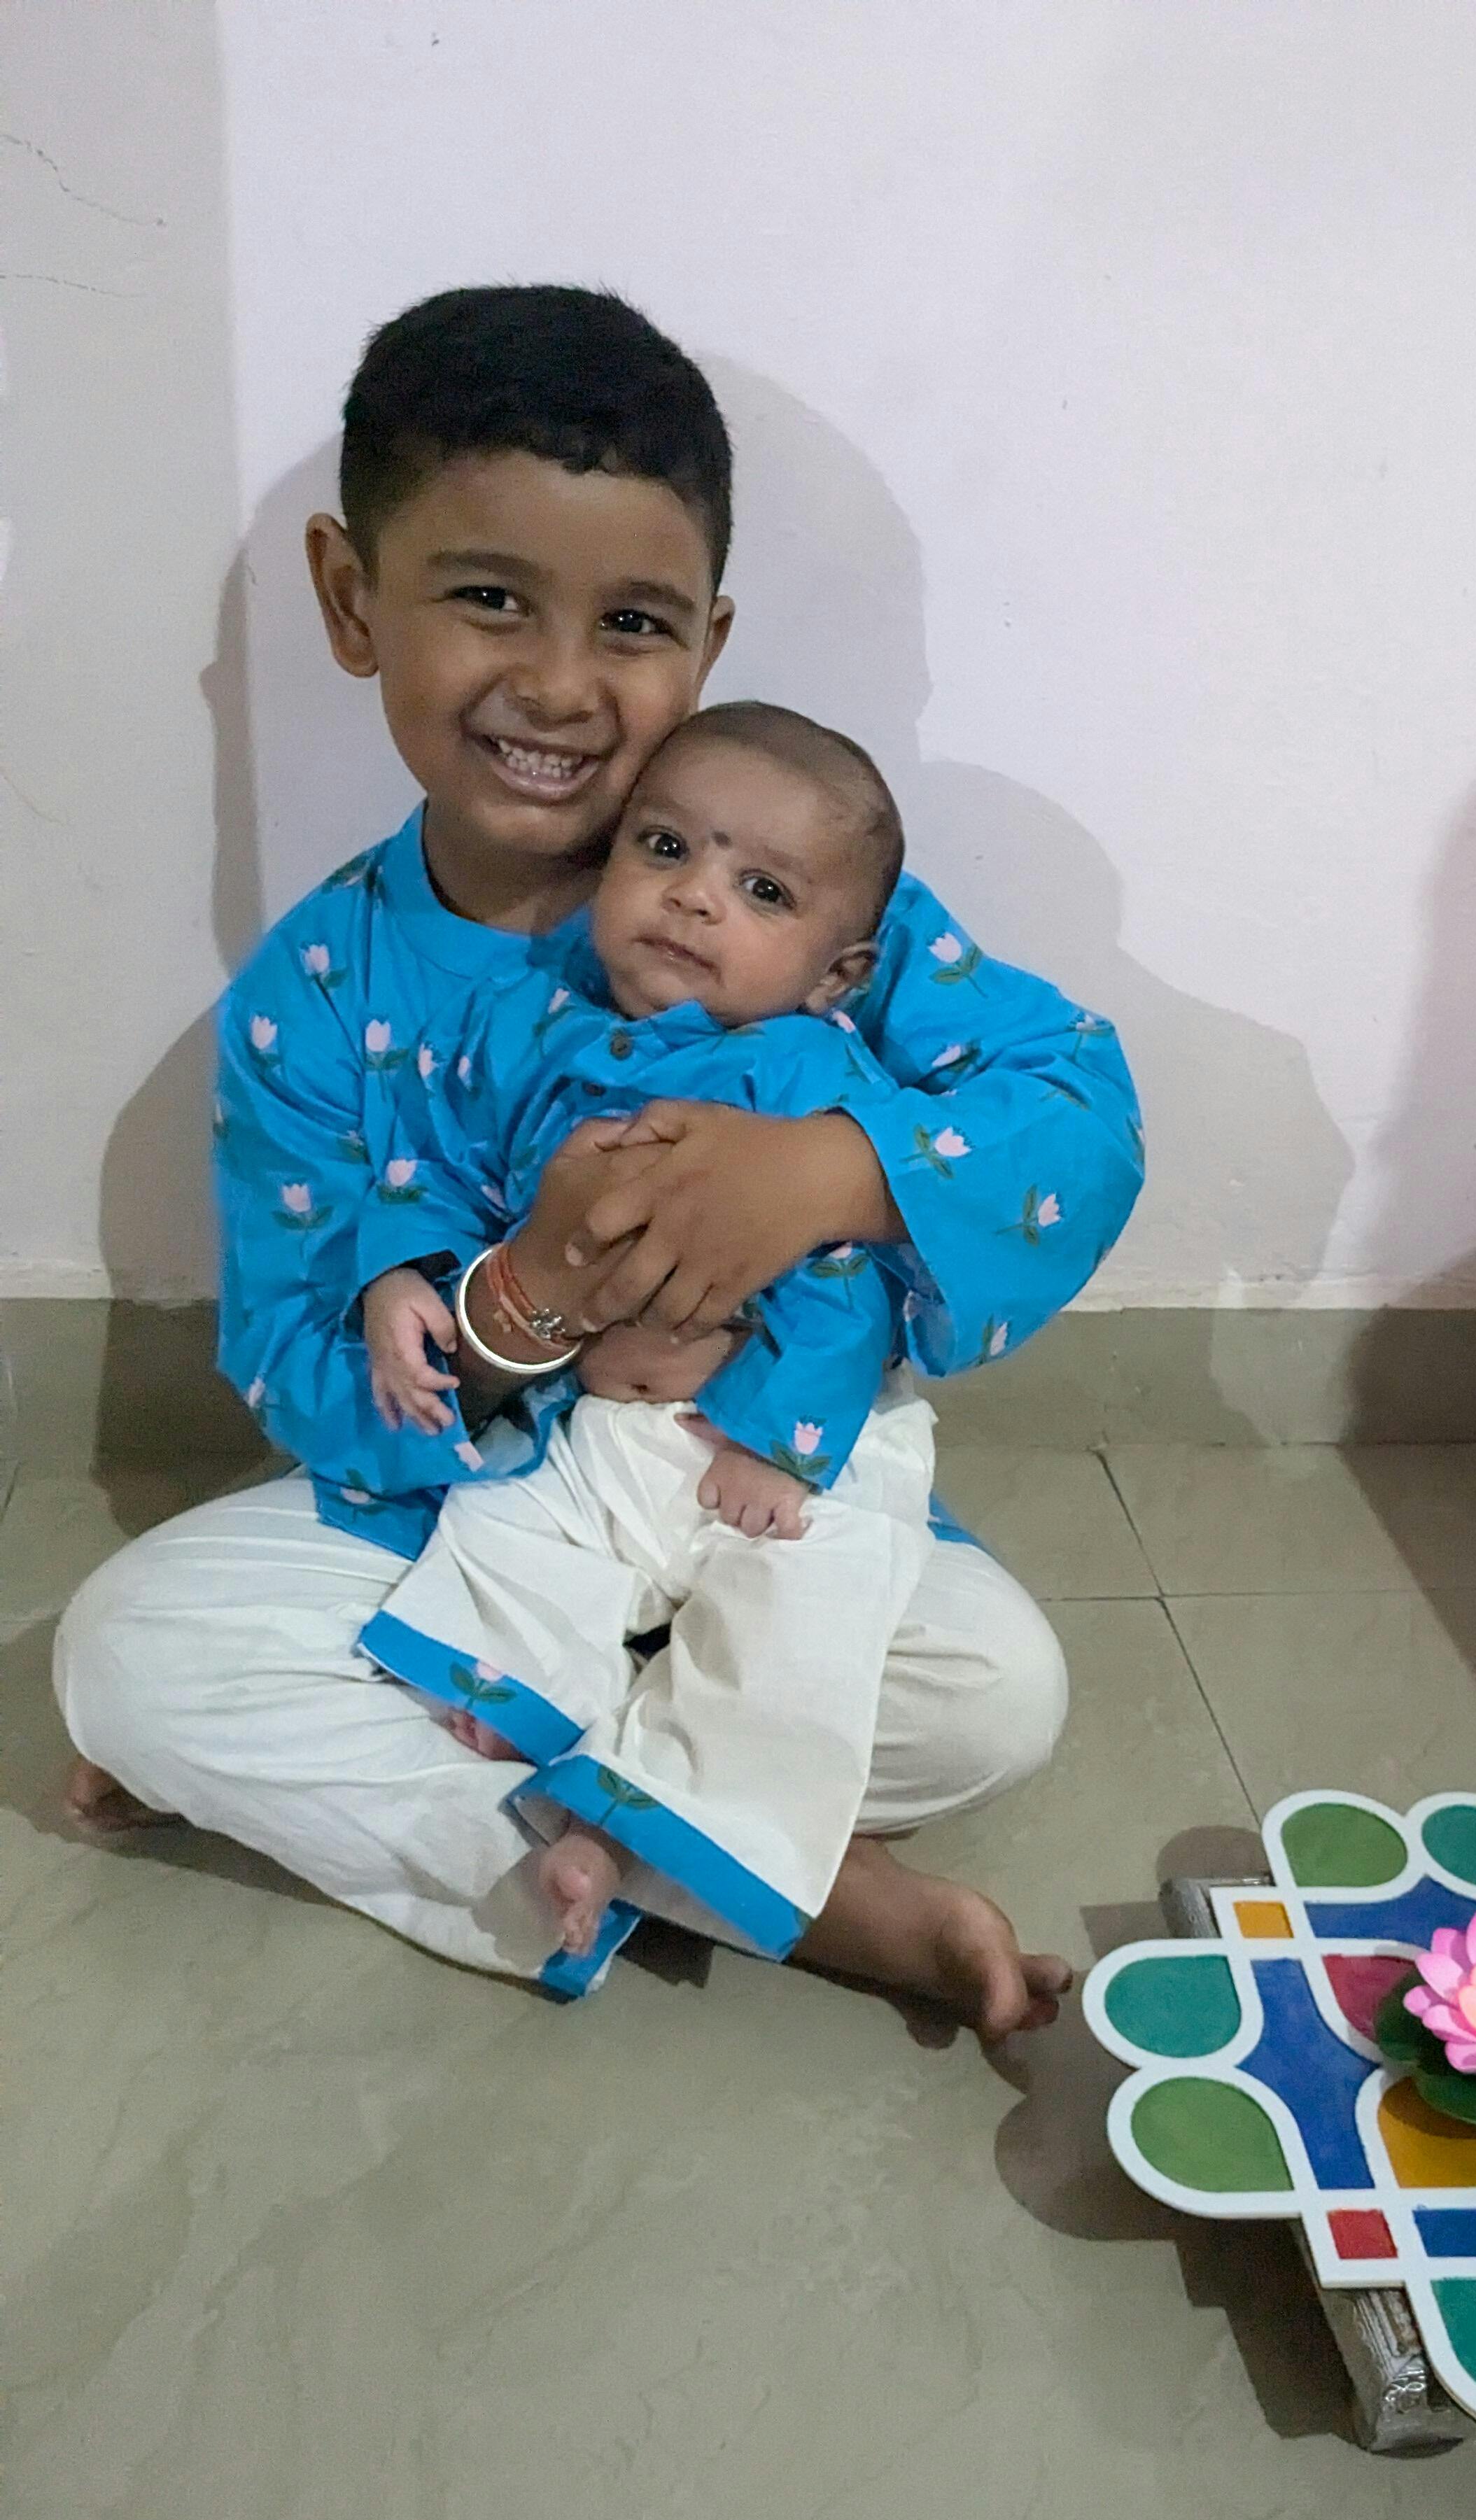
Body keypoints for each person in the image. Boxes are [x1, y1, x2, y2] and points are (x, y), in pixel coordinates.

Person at [55, 284, 1143, 2035]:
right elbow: (298, 1373)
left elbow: (1077, 1107)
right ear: (353, 598)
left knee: (999, 1689)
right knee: (126, 1656)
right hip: (480, 1523)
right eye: (491, 597)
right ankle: (787, 1880)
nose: (560, 685)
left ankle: (532, 1801)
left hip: (749, 1501)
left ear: (707, 643)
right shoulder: (315, 995)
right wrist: (521, 1302)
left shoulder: (800, 898)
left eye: (631, 623)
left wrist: (823, 1176)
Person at [360, 701, 966, 1976]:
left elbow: (849, 1287)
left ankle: (631, 1829)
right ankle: (555, 1733)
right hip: (602, 1432)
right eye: (666, 849)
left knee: (800, 1618)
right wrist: (398, 1275)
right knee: (502, 1531)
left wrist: (777, 1446)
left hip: (782, 1447)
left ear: (836, 974)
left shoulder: (805, 1078)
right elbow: (453, 1172)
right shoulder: (534, 1031)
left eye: (761, 890)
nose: (695, 898)